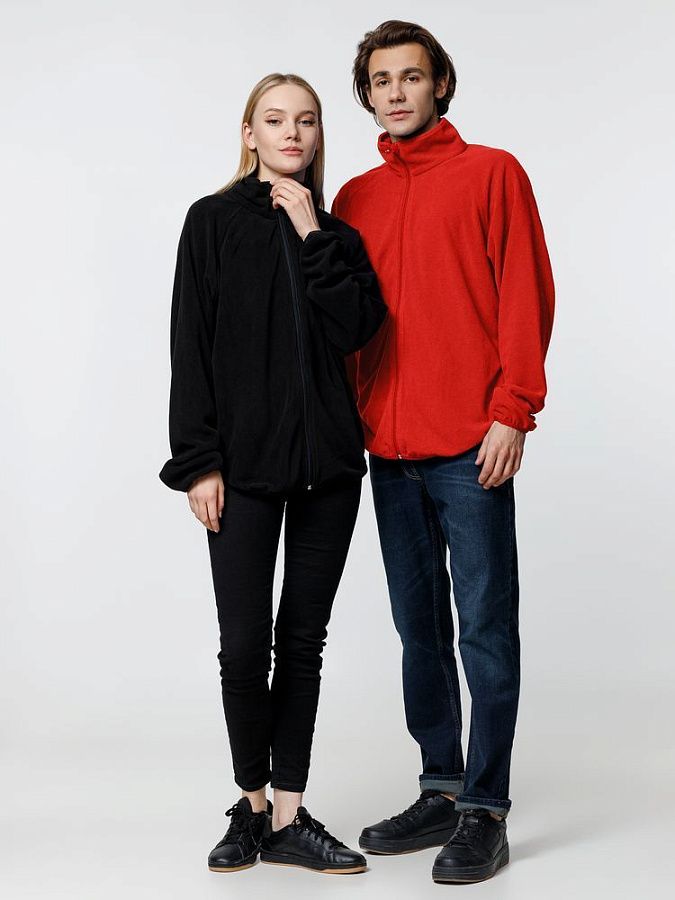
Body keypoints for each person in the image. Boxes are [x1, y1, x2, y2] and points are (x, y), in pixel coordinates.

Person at [331, 21, 555, 884]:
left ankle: (485, 809)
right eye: (380, 80)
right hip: (387, 452)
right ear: (367, 95)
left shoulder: (492, 173)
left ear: (440, 85)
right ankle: (440, 785)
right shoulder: (354, 197)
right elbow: (345, 317)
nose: (395, 92)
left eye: (410, 76)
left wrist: (513, 410)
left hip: (471, 444)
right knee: (416, 629)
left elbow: (523, 293)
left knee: (485, 628)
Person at [158, 72, 387, 876]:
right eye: (275, 119)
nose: (292, 133)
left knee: (302, 644)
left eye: (307, 121)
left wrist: (312, 233)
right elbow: (190, 343)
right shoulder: (212, 221)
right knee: (242, 645)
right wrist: (199, 461)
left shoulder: (336, 233)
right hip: (242, 471)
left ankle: (289, 815)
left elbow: (357, 328)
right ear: (249, 133)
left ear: (319, 135)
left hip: (330, 470)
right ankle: (250, 806)